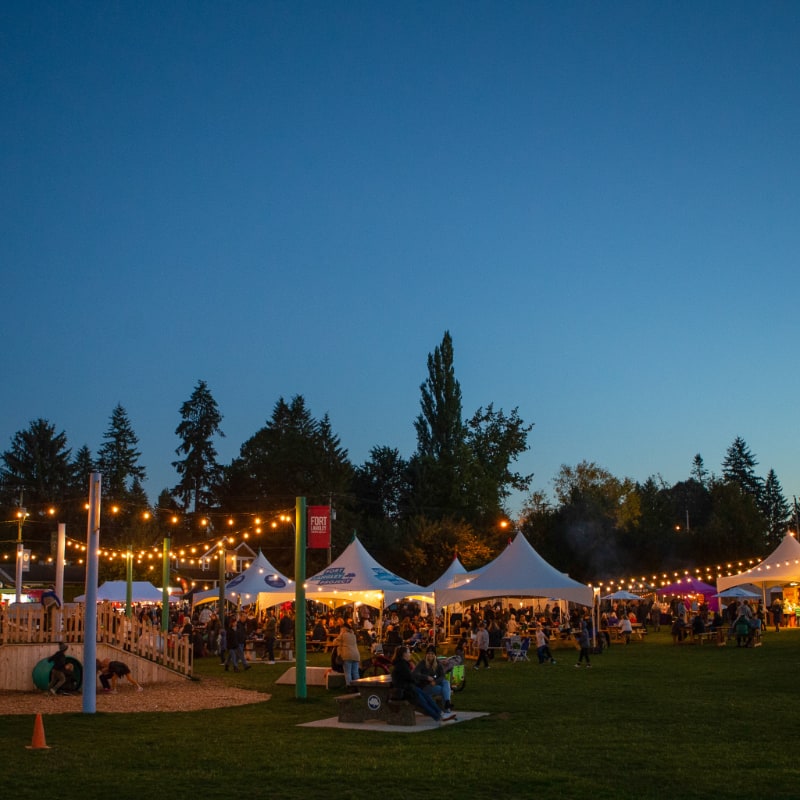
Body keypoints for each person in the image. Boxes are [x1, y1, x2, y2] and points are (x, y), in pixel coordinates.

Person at [391, 646, 455, 724]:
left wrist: (434, 680)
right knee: (423, 702)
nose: (410, 654)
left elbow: (442, 676)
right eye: (408, 652)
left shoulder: (404, 664)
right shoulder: (402, 665)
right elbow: (411, 677)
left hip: (411, 688)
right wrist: (425, 678)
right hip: (406, 691)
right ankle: (439, 717)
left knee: (429, 696)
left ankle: (442, 714)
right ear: (404, 654)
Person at [413, 645, 453, 710]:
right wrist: (426, 677)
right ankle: (447, 710)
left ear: (435, 655)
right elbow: (414, 674)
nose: (430, 655)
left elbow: (442, 676)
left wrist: (435, 681)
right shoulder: (422, 663)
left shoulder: (437, 663)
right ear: (426, 654)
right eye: (428, 653)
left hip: (434, 683)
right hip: (425, 686)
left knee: (446, 682)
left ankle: (447, 703)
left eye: (432, 653)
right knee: (443, 690)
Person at [333, 620, 361, 687]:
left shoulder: (343, 635)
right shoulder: (353, 635)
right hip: (356, 655)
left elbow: (335, 643)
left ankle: (349, 686)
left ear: (343, 629)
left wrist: (340, 635)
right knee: (355, 672)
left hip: (347, 656)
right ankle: (358, 686)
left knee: (348, 673)